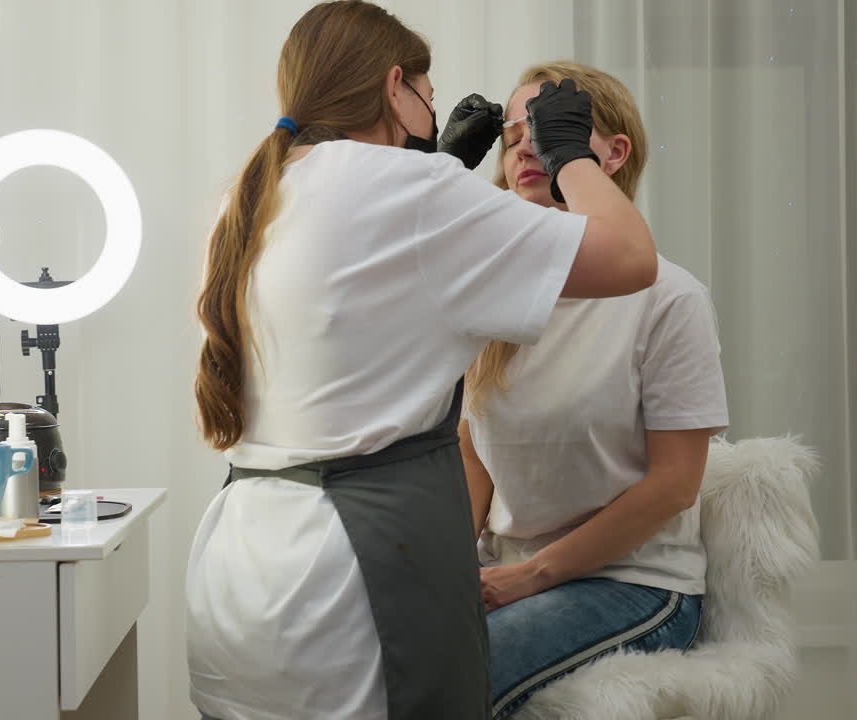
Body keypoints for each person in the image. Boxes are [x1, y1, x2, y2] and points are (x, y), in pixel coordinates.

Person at [186, 3, 658, 717]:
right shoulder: (411, 191)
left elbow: (361, 279)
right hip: (347, 572)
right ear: (395, 84)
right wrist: (572, 158)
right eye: (428, 102)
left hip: (239, 563)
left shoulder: (245, 198)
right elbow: (629, 257)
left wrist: (434, 169)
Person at [455, 60, 729, 719]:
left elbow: (674, 486)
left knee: (455, 678)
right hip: (508, 574)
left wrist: (529, 578)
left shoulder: (670, 298)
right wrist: (452, 567)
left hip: (636, 585)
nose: (524, 143)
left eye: (549, 128)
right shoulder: (495, 294)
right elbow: (474, 456)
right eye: (514, 130)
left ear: (611, 151)